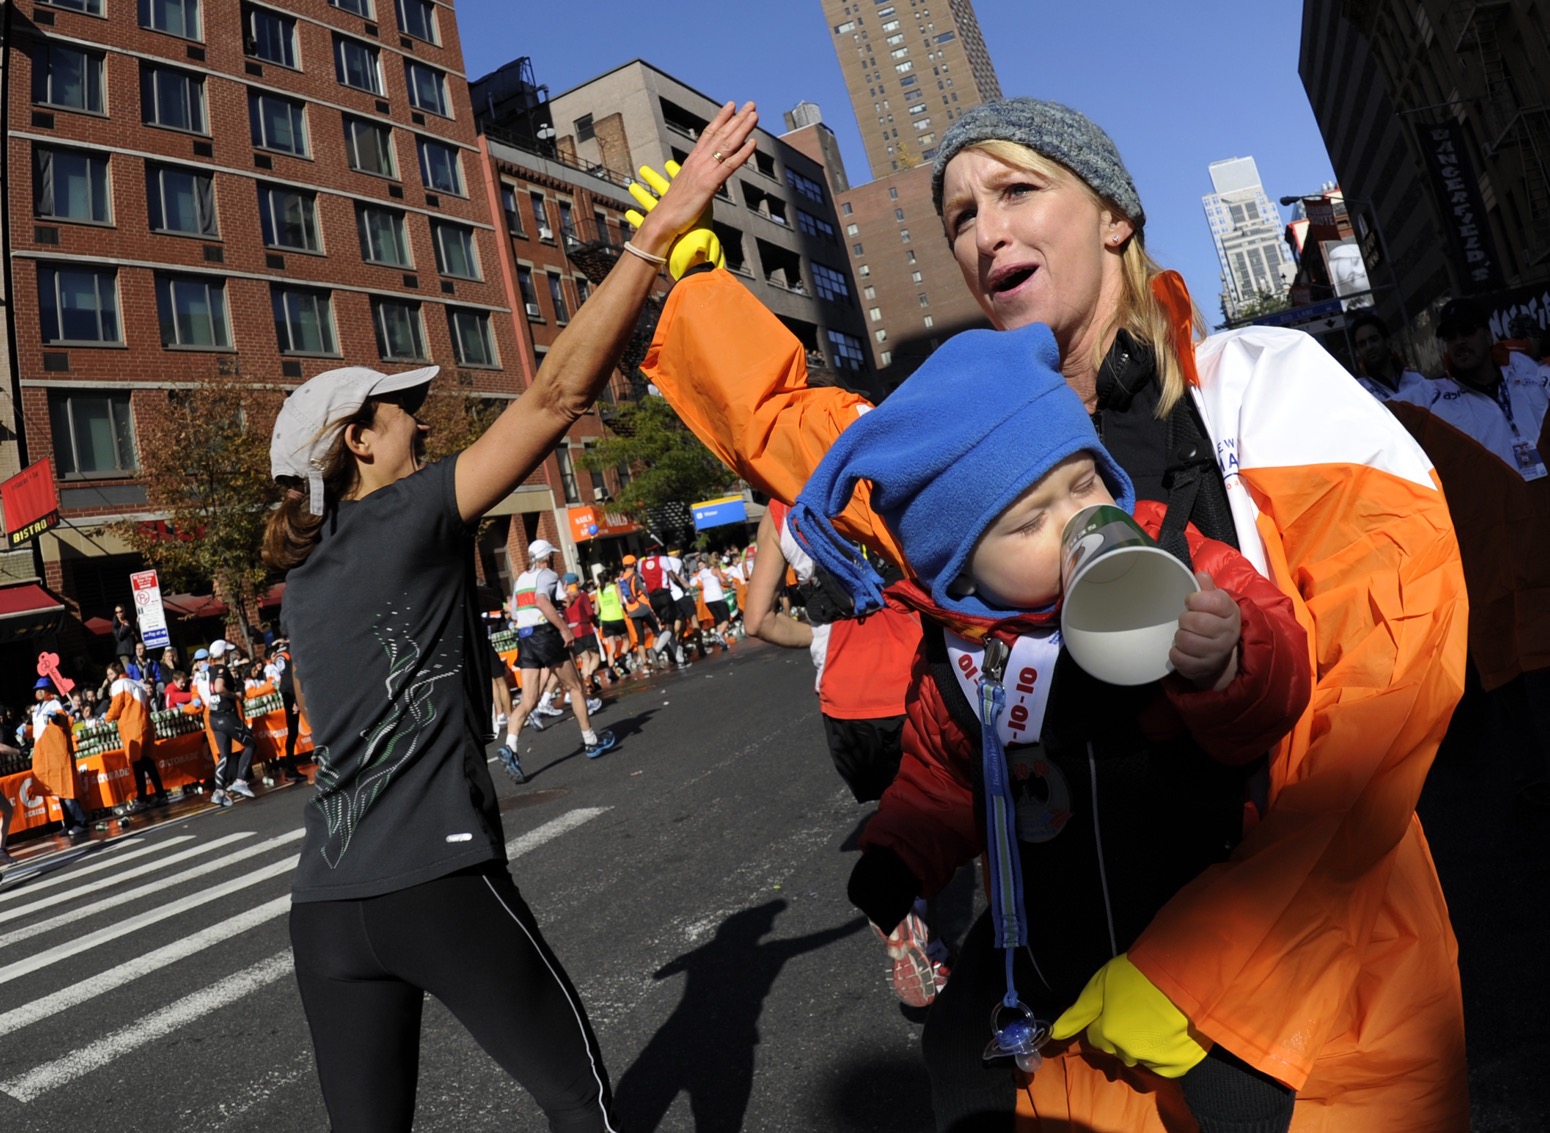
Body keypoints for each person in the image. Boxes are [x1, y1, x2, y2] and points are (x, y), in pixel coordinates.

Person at [635, 97, 1468, 1131]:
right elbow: (800, 431)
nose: (982, 230)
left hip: (1294, 1013)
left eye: (1016, 189)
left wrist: (1202, 971)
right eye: (956, 215)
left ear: (1114, 214)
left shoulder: (1267, 390)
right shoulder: (961, 455)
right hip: (1067, 1024)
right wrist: (691, 277)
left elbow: (1385, 693)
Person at [258, 97, 758, 1133]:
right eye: (400, 408)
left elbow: (324, 719)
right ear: (358, 442)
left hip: (324, 906)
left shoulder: (300, 579)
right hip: (434, 877)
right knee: (581, 1102)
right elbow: (554, 398)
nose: (421, 415)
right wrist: (652, 242)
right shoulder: (403, 515)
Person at [793, 323, 1313, 1130]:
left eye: (1082, 486)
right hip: (1042, 931)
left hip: (1191, 915)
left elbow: (1279, 675)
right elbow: (941, 775)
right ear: (960, 566)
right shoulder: (961, 649)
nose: (1077, 522)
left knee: (1240, 1073)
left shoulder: (1176, 555)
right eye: (1030, 519)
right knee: (957, 1050)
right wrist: (901, 854)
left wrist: (1227, 658)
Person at [746, 499, 934, 1005]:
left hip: (849, 700)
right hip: (919, 677)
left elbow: (757, 621)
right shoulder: (885, 475)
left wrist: (825, 637)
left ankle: (903, 918)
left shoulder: (781, 514)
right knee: (961, 805)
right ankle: (985, 935)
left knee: (892, 812)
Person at [1384, 298, 1550, 815]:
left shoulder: (1535, 380)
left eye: (1467, 330)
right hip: (1493, 561)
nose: (1460, 341)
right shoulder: (1430, 403)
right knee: (1510, 669)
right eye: (1450, 334)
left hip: (1543, 543)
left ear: (1486, 332)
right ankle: (1533, 781)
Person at [503, 538, 615, 781]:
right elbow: (542, 601)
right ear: (547, 557)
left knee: (528, 699)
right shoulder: (548, 574)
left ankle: (510, 746)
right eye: (551, 555)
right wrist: (564, 629)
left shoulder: (521, 579)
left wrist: (560, 602)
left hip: (525, 638)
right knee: (575, 687)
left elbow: (515, 611)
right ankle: (591, 741)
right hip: (546, 635)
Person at [103, 660, 168, 810]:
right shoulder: (136, 683)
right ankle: (160, 794)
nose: (109, 677)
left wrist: (107, 718)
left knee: (137, 765)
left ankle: (142, 799)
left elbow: (117, 705)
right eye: (108, 675)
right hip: (145, 725)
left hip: (132, 727)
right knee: (148, 763)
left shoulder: (119, 684)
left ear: (117, 672)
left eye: (111, 674)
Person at [31, 678, 89, 840]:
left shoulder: (54, 704)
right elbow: (39, 730)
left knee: (66, 790)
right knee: (59, 790)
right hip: (47, 753)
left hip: (58, 752)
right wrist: (27, 730)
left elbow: (63, 721)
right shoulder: (38, 708)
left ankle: (81, 821)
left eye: (39, 689)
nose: (37, 692)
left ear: (46, 690)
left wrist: (56, 718)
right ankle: (68, 823)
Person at [204, 639, 256, 808]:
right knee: (250, 744)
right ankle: (240, 781)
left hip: (214, 717)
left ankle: (219, 791)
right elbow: (219, 688)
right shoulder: (221, 668)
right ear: (224, 654)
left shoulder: (210, 670)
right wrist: (235, 696)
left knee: (224, 754)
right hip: (226, 716)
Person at [1350, 311, 1430, 404]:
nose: (1369, 347)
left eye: (1374, 339)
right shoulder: (1358, 391)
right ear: (1358, 352)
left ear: (1387, 341)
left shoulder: (1417, 380)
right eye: (1362, 344)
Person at [111, 604, 138, 671]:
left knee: (136, 669)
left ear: (124, 611)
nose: (119, 614)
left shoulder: (128, 620)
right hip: (124, 652)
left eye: (120, 611)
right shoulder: (116, 624)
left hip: (133, 649)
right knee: (129, 671)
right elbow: (119, 636)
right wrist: (126, 627)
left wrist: (137, 623)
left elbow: (135, 632)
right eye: (116, 612)